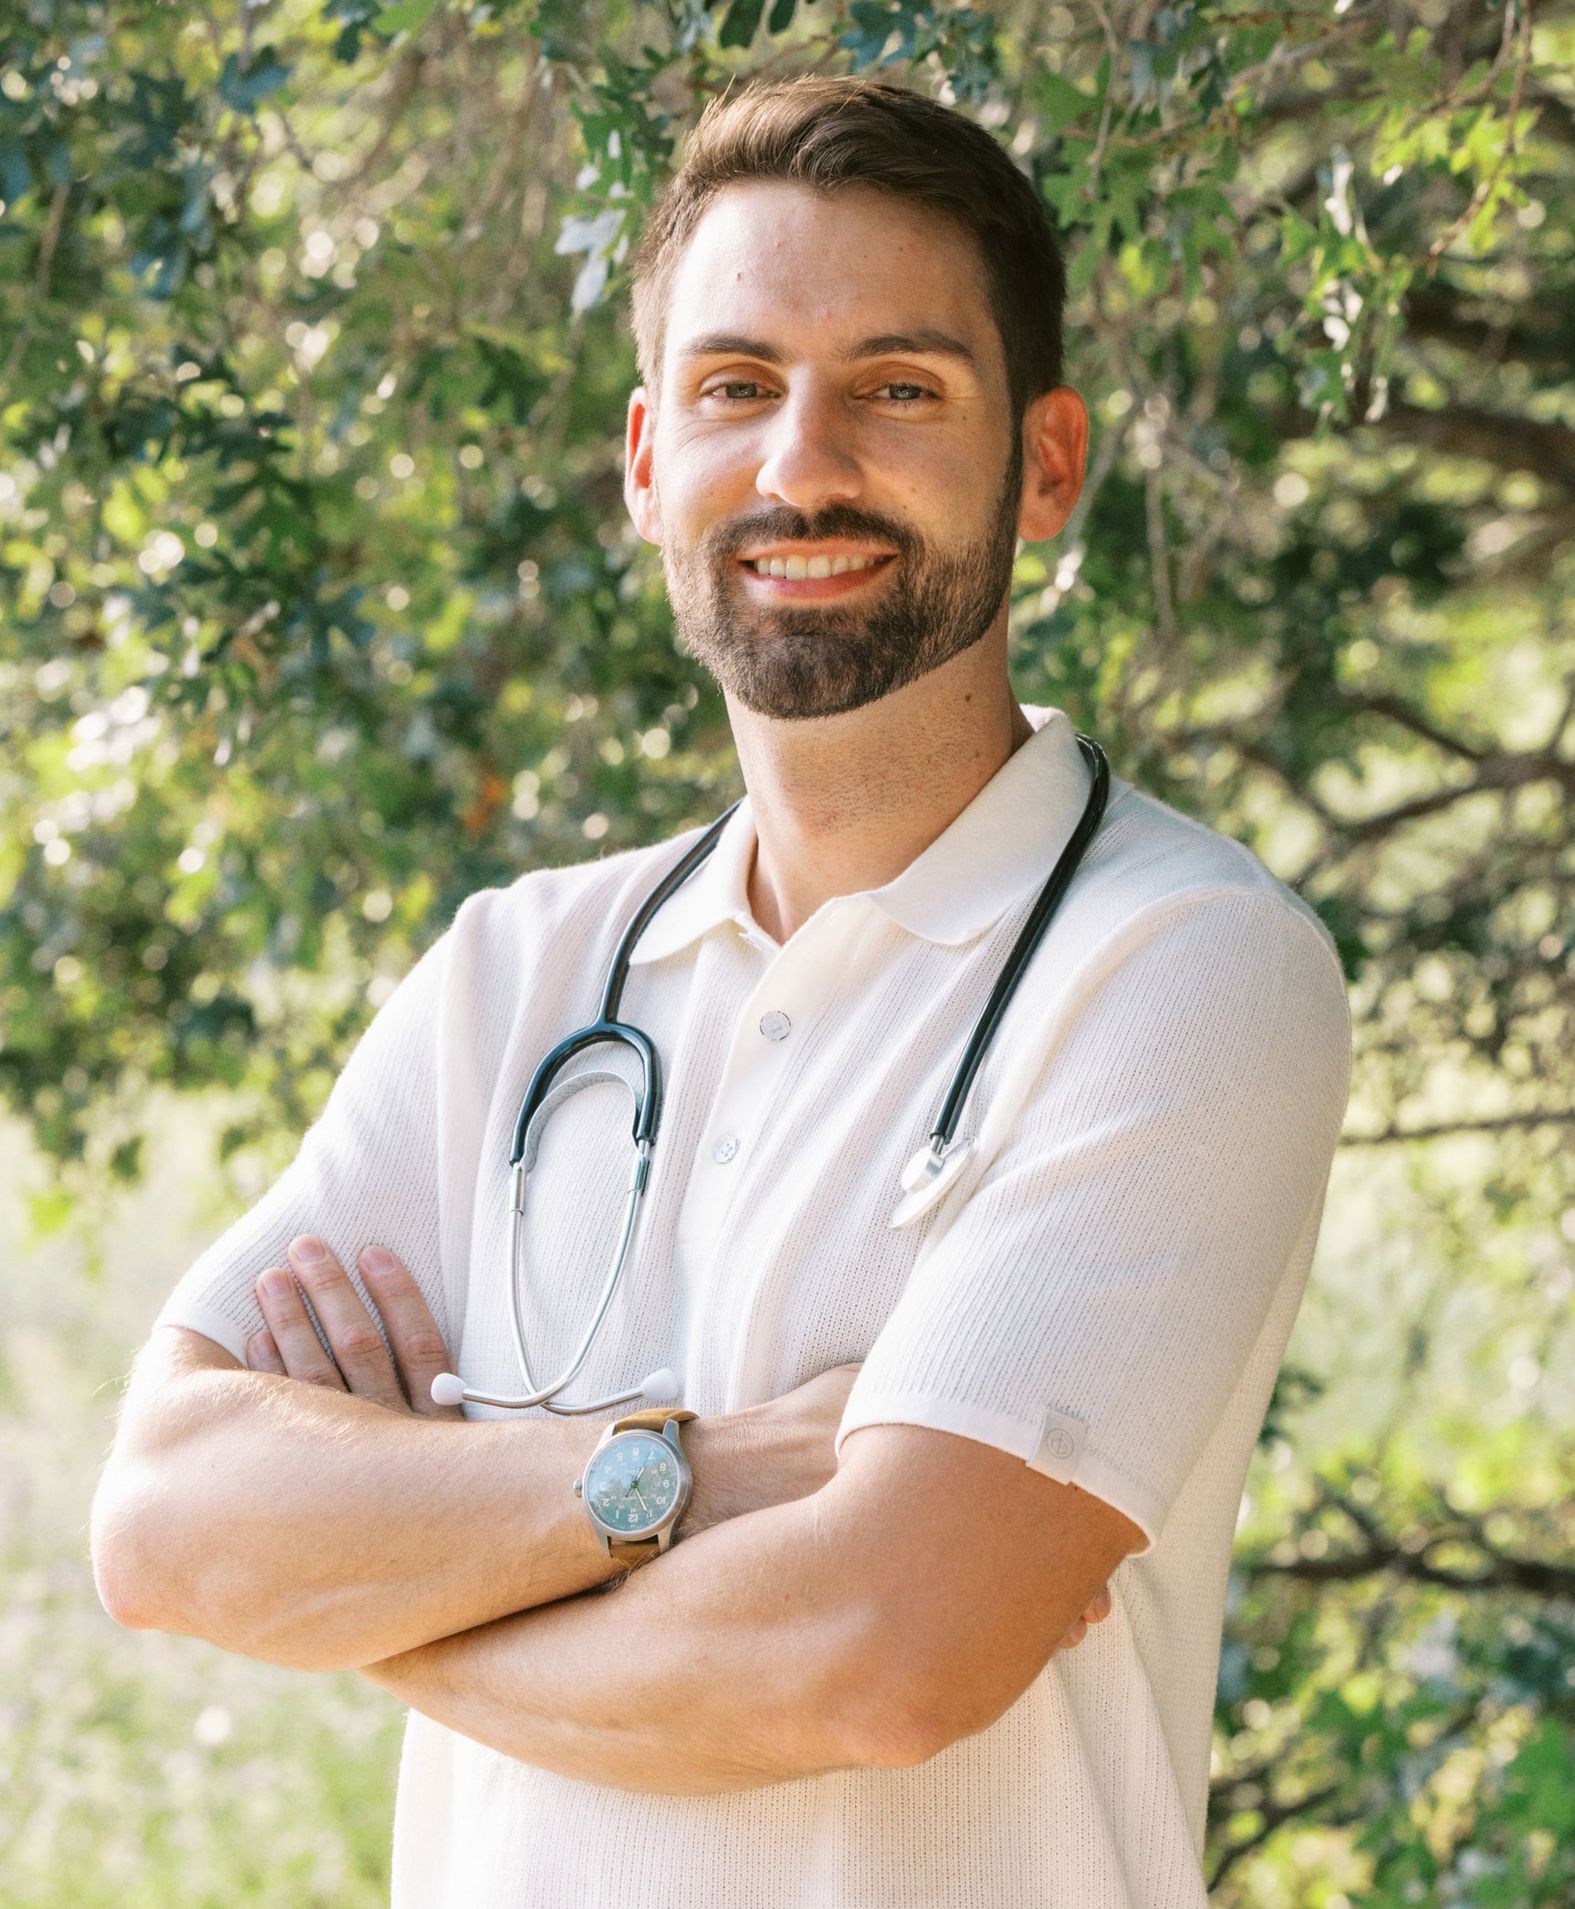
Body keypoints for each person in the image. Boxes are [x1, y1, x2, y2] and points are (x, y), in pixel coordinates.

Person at [90, 71, 1353, 1909]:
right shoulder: (514, 979)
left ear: (1050, 460)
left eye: (899, 388)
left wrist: (383, 1608)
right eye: (736, 386)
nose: (801, 466)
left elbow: (880, 1650)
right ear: (643, 458)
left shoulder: (1180, 965)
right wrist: (680, 1474)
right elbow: (166, 1523)